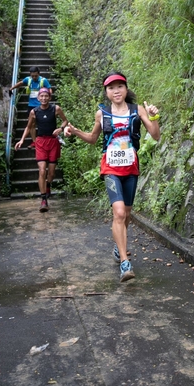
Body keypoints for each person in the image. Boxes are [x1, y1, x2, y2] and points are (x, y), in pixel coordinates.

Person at [64, 71, 160, 282]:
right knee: (119, 212)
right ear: (106, 92)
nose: (116, 91)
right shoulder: (102, 114)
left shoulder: (137, 110)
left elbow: (155, 135)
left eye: (119, 86)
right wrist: (75, 131)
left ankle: (119, 246)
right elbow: (93, 138)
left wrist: (153, 116)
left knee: (127, 213)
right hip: (110, 169)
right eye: (111, 88)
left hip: (131, 168)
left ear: (126, 89)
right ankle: (125, 263)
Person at [15, 88, 68, 213]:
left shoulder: (56, 109)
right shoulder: (34, 112)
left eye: (46, 96)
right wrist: (22, 140)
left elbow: (65, 121)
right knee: (42, 170)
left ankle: (48, 184)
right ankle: (44, 200)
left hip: (53, 142)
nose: (44, 98)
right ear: (38, 98)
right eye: (42, 96)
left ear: (49, 97)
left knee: (51, 173)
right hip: (40, 142)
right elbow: (28, 127)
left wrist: (60, 129)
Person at [9, 67, 52, 148]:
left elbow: (49, 89)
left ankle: (45, 141)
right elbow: (21, 83)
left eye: (36, 76)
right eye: (32, 76)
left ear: (39, 74)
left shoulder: (43, 80)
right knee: (32, 124)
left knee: (43, 122)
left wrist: (48, 99)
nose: (34, 77)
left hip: (41, 105)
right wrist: (12, 88)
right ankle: (35, 142)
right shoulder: (28, 79)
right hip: (31, 105)